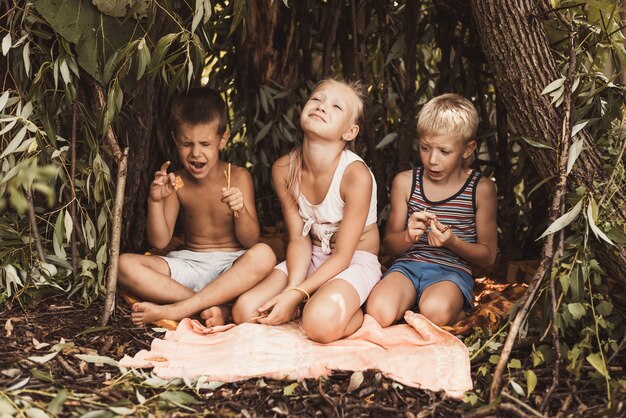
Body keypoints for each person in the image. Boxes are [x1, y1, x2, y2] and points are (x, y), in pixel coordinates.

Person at [231, 78, 382, 344]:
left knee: (318, 325)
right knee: (245, 311)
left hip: (353, 261)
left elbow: (343, 256)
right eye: (317, 99)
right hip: (311, 256)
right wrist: (292, 289)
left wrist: (296, 293)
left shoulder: (355, 176)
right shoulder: (283, 170)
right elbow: (299, 238)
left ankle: (353, 311)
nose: (323, 106)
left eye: (336, 107)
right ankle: (307, 302)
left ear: (349, 132)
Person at [118, 86, 276, 327]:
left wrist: (240, 210)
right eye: (187, 144)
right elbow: (159, 242)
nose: (196, 153)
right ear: (175, 140)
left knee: (264, 255)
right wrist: (155, 201)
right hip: (190, 265)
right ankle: (214, 306)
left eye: (205, 143)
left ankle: (180, 309)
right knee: (124, 265)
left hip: (232, 267)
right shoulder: (178, 182)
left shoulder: (238, 176)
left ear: (223, 139)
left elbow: (250, 241)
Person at [365, 93, 497, 327]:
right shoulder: (406, 183)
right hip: (407, 267)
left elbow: (488, 256)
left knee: (434, 311)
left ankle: (443, 308)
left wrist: (453, 242)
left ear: (468, 149)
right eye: (426, 148)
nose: (432, 160)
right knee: (378, 310)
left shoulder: (481, 189)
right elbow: (389, 245)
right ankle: (416, 307)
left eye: (444, 152)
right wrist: (408, 236)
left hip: (451, 273)